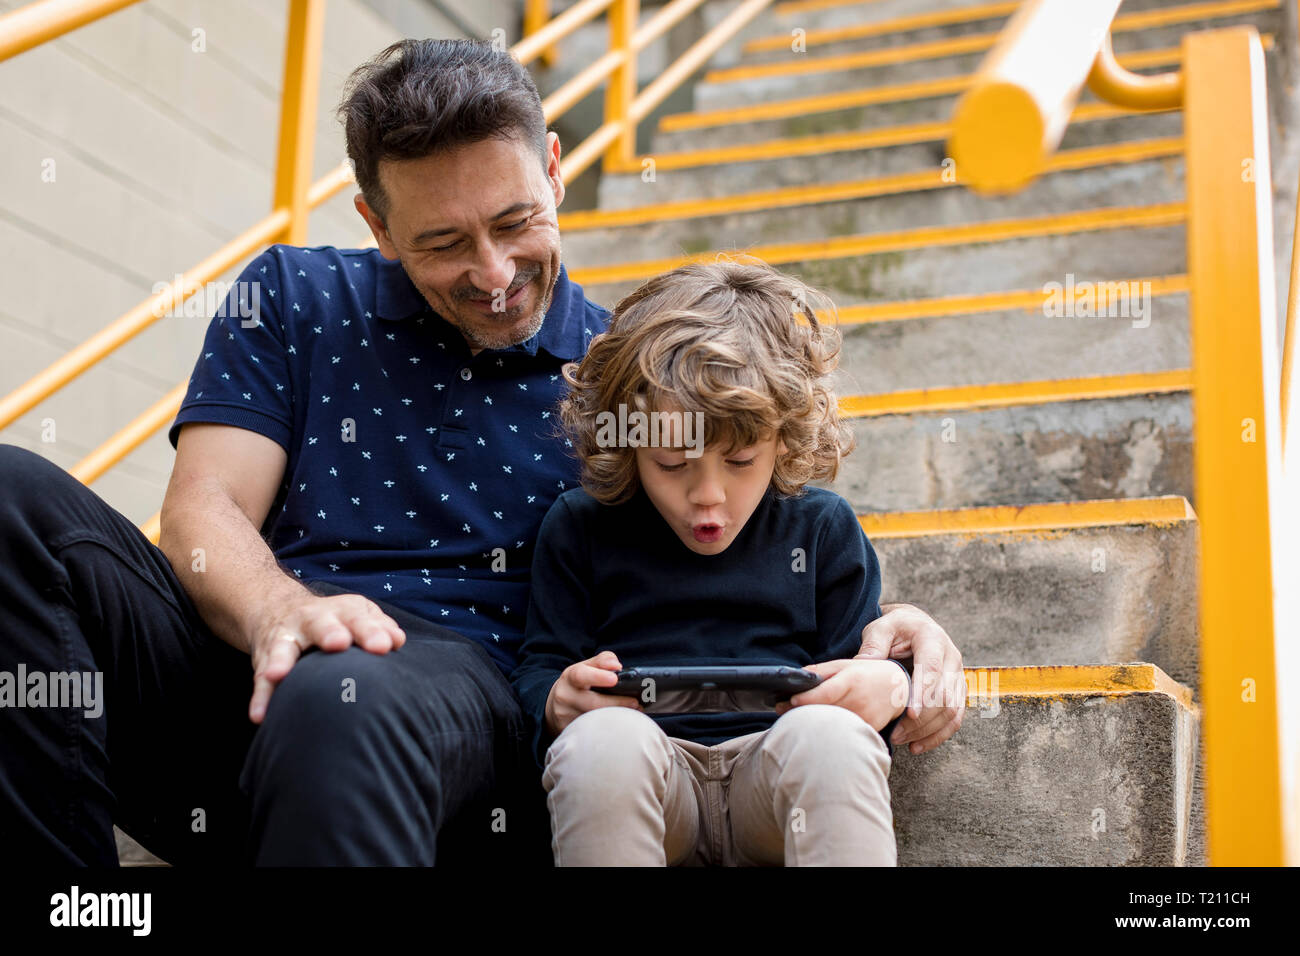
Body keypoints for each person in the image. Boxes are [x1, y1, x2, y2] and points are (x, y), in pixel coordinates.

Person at [0, 38, 963, 867]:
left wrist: (904, 628)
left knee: (342, 691)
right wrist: (287, 613)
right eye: (444, 243)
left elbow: (736, 522)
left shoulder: (622, 368)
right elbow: (202, 512)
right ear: (375, 225)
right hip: (238, 684)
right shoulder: (294, 298)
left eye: (515, 224)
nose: (496, 276)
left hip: (448, 731)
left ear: (552, 167)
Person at [511, 258, 918, 866]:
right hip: (651, 780)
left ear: (783, 439)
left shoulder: (822, 528)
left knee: (832, 738)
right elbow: (540, 665)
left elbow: (858, 668)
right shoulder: (580, 526)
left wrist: (887, 685)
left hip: (775, 785)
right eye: (672, 466)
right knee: (599, 743)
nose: (708, 495)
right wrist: (557, 699)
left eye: (740, 461)